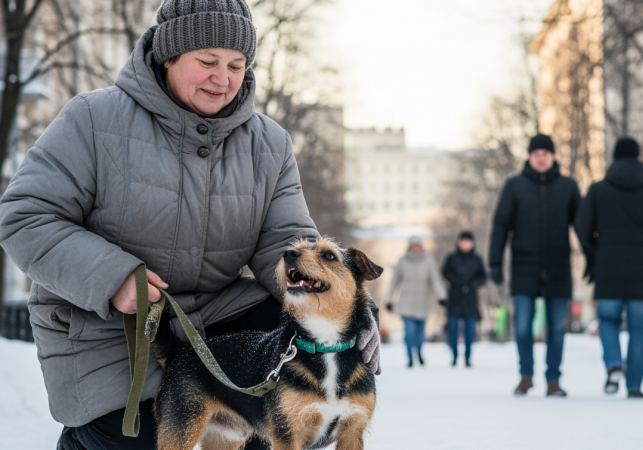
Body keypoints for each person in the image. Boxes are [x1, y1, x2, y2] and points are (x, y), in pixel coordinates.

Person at [0, 1, 380, 449]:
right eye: (207, 62)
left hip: (219, 314)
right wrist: (111, 276)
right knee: (137, 439)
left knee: (275, 412)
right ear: (168, 56)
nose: (223, 79)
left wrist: (343, 308)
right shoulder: (93, 119)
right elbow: (25, 215)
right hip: (109, 325)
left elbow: (284, 245)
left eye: (237, 65)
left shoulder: (269, 143)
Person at [575, 137, 643, 399]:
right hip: (642, 277)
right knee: (638, 329)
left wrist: (593, 253)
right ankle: (634, 385)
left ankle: (614, 365)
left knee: (608, 322)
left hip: (608, 273)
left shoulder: (598, 190)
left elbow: (581, 226)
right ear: (639, 160)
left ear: (612, 160)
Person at [489, 133, 581, 397]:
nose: (541, 158)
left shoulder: (568, 186)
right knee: (522, 326)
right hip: (524, 267)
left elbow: (583, 225)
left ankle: (554, 380)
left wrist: (595, 259)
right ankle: (526, 375)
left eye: (546, 154)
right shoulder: (515, 186)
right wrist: (495, 261)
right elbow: (500, 225)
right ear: (530, 157)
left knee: (557, 328)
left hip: (558, 267)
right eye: (536, 154)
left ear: (553, 157)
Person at [385, 236, 447, 368]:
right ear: (409, 247)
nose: (416, 248)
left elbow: (435, 281)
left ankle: (418, 351)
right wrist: (389, 300)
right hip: (406, 302)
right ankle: (409, 357)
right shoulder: (402, 262)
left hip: (422, 302)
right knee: (409, 331)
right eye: (413, 246)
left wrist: (441, 296)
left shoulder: (429, 261)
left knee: (420, 333)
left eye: (418, 246)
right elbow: (394, 282)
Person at [441, 230, 487, 367]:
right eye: (463, 241)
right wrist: (454, 281)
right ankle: (454, 354)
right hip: (455, 299)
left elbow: (483, 277)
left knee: (469, 331)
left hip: (471, 301)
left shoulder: (477, 259)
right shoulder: (452, 258)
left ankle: (468, 356)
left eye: (468, 241)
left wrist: (473, 284)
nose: (465, 244)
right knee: (453, 330)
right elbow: (444, 272)